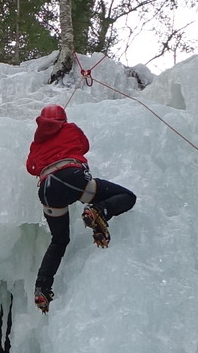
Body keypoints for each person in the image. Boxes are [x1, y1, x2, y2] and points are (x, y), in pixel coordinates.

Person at [24, 103, 136, 311]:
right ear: (63, 118)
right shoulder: (70, 128)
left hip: (47, 189)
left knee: (59, 240)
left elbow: (31, 168)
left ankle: (42, 288)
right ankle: (100, 210)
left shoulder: (36, 142)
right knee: (128, 196)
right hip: (71, 178)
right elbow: (84, 146)